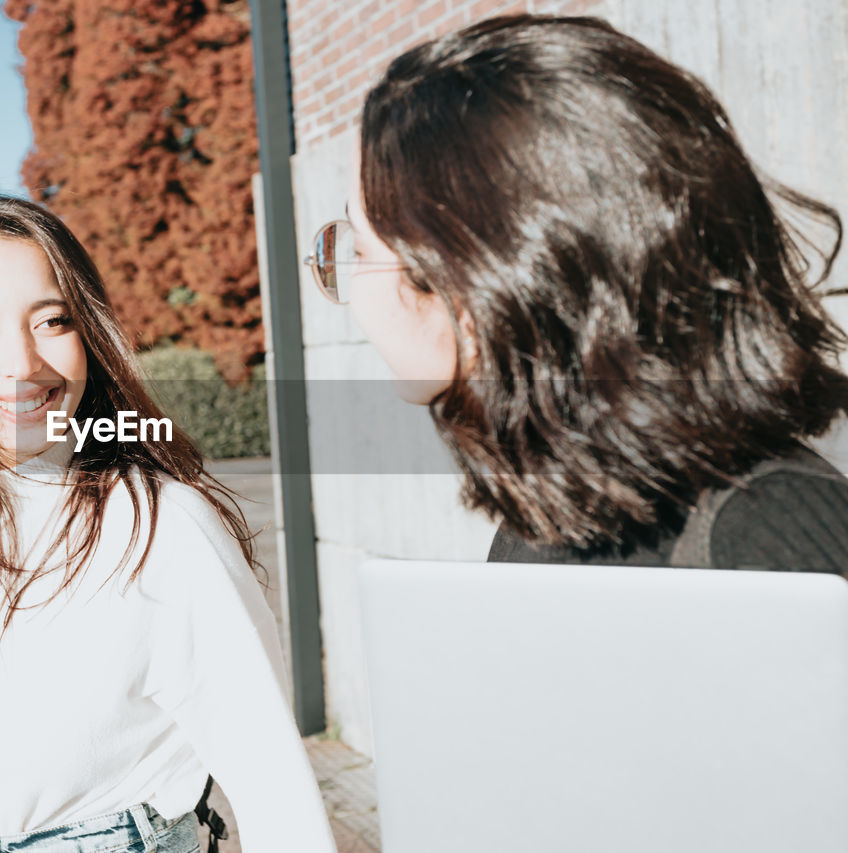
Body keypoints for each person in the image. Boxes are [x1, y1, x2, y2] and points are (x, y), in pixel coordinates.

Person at [0, 195, 336, 852]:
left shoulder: (161, 526)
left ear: (90, 333)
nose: (21, 363)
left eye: (52, 321)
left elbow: (275, 785)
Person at [306, 14, 848, 569]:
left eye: (362, 248)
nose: (346, 284)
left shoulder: (767, 531)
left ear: (474, 278)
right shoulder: (557, 506)